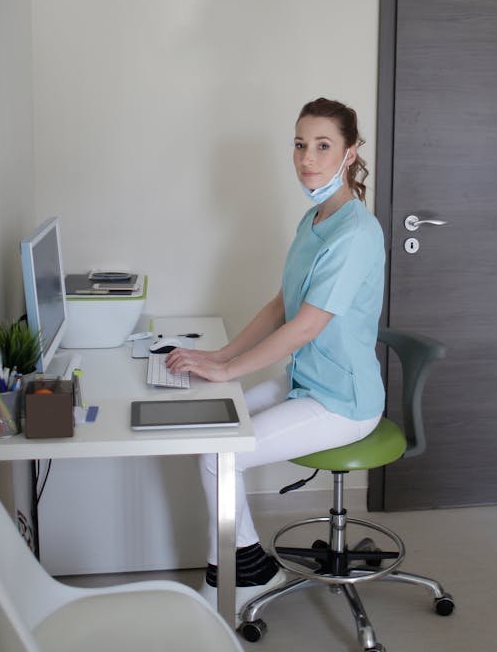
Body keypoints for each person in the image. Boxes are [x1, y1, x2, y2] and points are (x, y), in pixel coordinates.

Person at [164, 96, 386, 609]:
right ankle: (249, 566)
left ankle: (246, 575)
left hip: (342, 401)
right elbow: (282, 305)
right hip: (307, 381)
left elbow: (305, 326)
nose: (308, 158)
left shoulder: (355, 234)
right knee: (214, 435)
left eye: (323, 146)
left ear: (350, 154)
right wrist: (222, 357)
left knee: (219, 456)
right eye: (300, 144)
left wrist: (229, 369)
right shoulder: (313, 222)